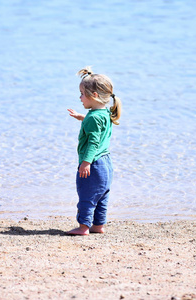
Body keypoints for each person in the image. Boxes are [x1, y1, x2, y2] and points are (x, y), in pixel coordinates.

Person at [66, 66, 122, 235]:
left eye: (82, 93)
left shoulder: (93, 117)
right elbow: (97, 125)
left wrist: (86, 163)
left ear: (94, 96)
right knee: (102, 196)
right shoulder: (105, 112)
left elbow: (93, 143)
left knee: (87, 196)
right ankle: (98, 225)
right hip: (106, 163)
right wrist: (82, 117)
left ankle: (83, 227)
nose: (80, 97)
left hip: (94, 164)